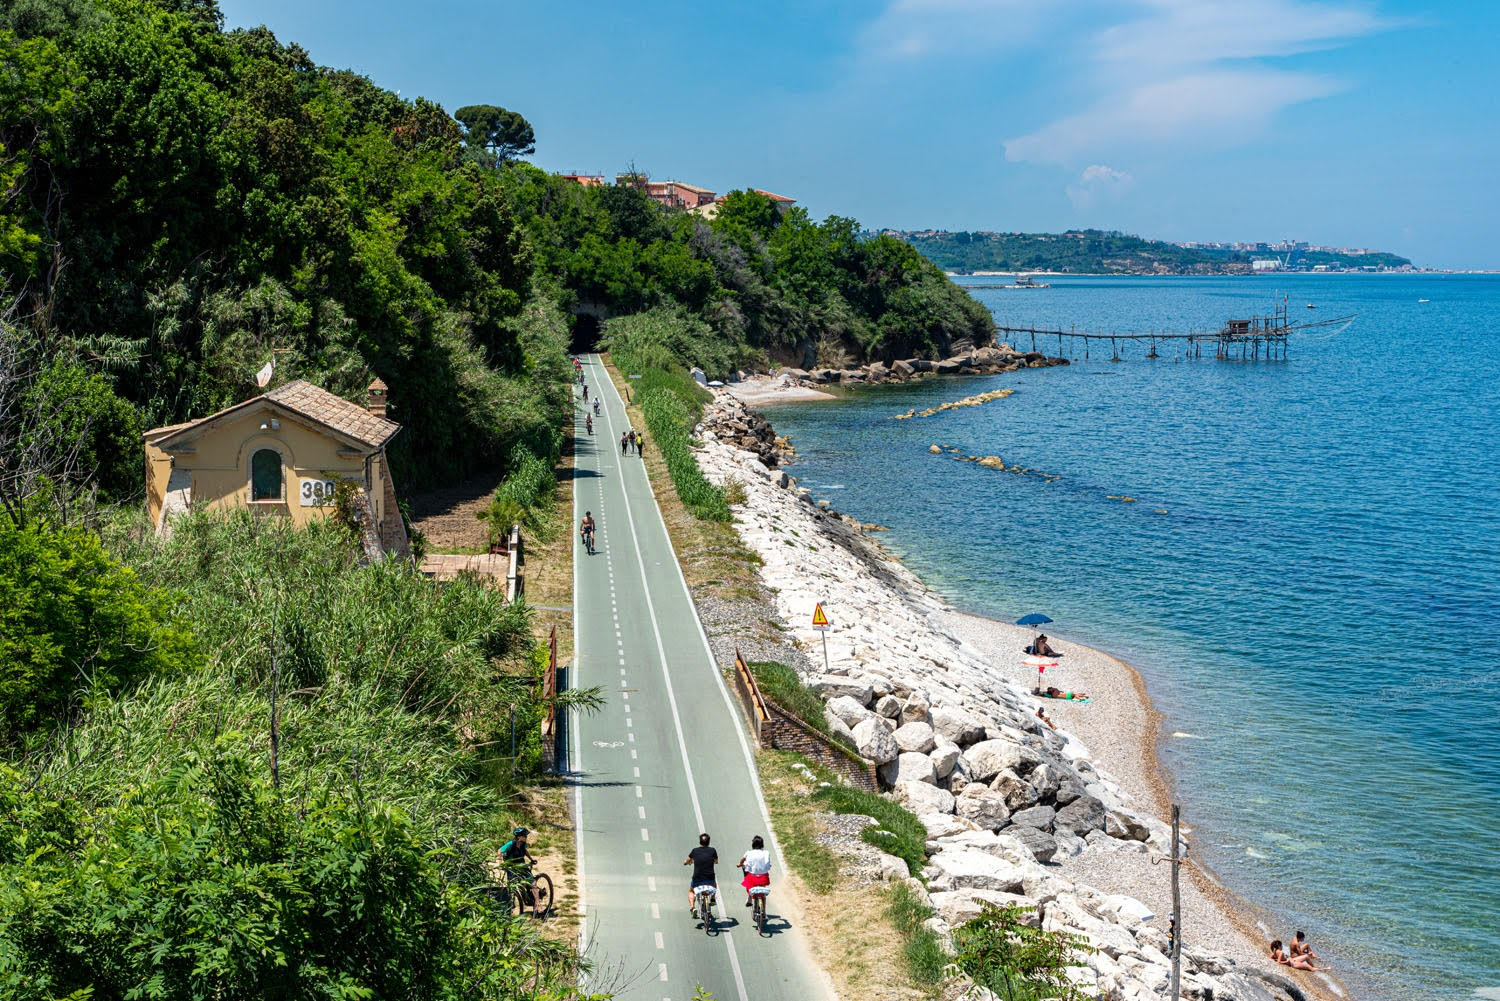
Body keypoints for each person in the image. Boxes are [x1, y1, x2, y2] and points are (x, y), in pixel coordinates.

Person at [499, 826, 537, 912]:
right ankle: (511, 903)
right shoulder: (510, 844)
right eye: (525, 836)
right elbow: (500, 851)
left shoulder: (523, 844)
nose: (526, 837)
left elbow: (525, 851)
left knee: (531, 883)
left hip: (521, 865)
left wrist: (531, 859)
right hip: (511, 867)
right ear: (519, 837)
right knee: (511, 886)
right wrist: (500, 863)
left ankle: (535, 902)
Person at [684, 832, 718, 914]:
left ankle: (692, 908)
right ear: (709, 842)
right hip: (710, 879)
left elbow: (688, 860)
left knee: (691, 891)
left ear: (700, 842)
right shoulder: (713, 850)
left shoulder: (695, 851)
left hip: (697, 879)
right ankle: (713, 898)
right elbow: (716, 861)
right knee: (714, 884)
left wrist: (686, 862)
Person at [737, 835, 772, 907]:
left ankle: (749, 898)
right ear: (762, 844)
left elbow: (742, 860)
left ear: (753, 844)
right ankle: (764, 911)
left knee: (749, 882)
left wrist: (740, 864)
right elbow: (767, 862)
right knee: (763, 891)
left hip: (752, 877)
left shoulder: (748, 853)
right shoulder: (766, 852)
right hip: (763, 877)